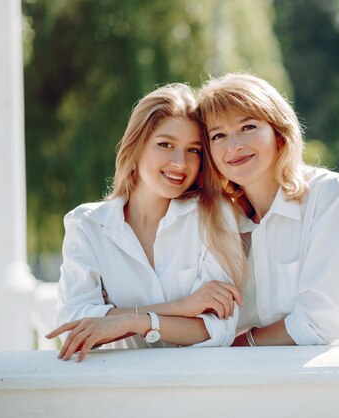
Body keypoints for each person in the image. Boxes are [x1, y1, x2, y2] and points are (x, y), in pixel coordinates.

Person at [46, 83, 246, 361]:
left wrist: (130, 321)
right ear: (137, 147)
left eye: (193, 150)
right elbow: (73, 329)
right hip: (116, 391)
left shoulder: (213, 216)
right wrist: (181, 307)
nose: (180, 162)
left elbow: (218, 330)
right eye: (166, 145)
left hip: (196, 389)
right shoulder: (88, 226)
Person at [197, 73, 339, 346]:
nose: (234, 146)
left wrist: (238, 345)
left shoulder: (328, 195)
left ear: (278, 132)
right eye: (218, 135)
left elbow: (322, 322)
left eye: (248, 127)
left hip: (328, 383)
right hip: (244, 384)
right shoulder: (220, 221)